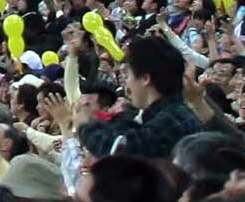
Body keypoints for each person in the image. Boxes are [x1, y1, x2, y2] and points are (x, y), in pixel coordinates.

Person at [70, 36, 202, 161]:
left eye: (127, 75)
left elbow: (117, 150)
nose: (126, 84)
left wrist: (84, 125)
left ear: (145, 79)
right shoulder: (165, 114)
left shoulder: (173, 118)